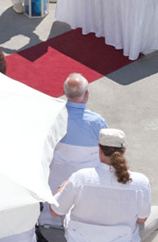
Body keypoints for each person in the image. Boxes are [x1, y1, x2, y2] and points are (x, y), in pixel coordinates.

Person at [51, 128, 158, 242]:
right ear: (123, 151)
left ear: (99, 150)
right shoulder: (141, 182)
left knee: (67, 200)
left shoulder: (80, 177)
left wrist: (63, 186)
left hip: (80, 239)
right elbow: (142, 219)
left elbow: (56, 211)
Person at [38, 73, 108, 228]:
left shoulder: (53, 117)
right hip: (87, 180)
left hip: (55, 176)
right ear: (86, 94)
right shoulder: (97, 122)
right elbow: (106, 149)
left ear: (64, 93)